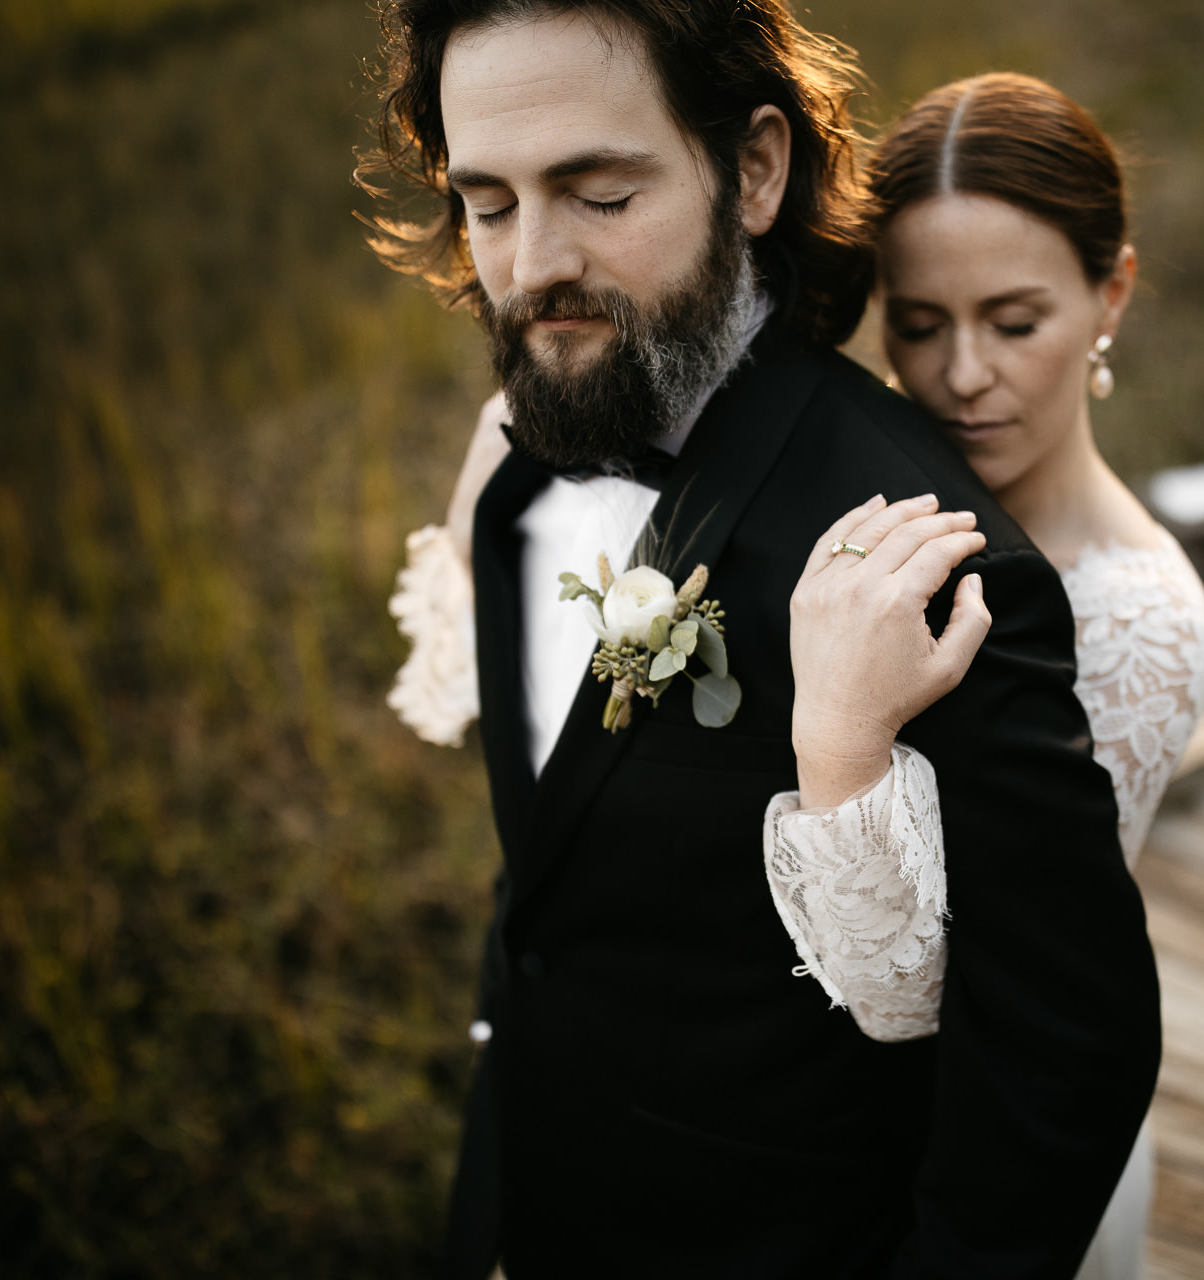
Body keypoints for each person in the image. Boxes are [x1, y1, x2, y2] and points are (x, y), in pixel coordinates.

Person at [369, 3, 1159, 1278]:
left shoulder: (935, 567)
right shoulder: (515, 475)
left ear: (753, 169)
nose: (530, 267)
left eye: (599, 195)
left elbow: (1063, 1062)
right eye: (491, 202)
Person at [760, 75, 1204, 1280]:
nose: (963, 375)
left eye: (1015, 323)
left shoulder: (1141, 614)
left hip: (983, 1159)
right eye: (919, 324)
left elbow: (1000, 982)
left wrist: (844, 744)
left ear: (1109, 291)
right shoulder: (873, 509)